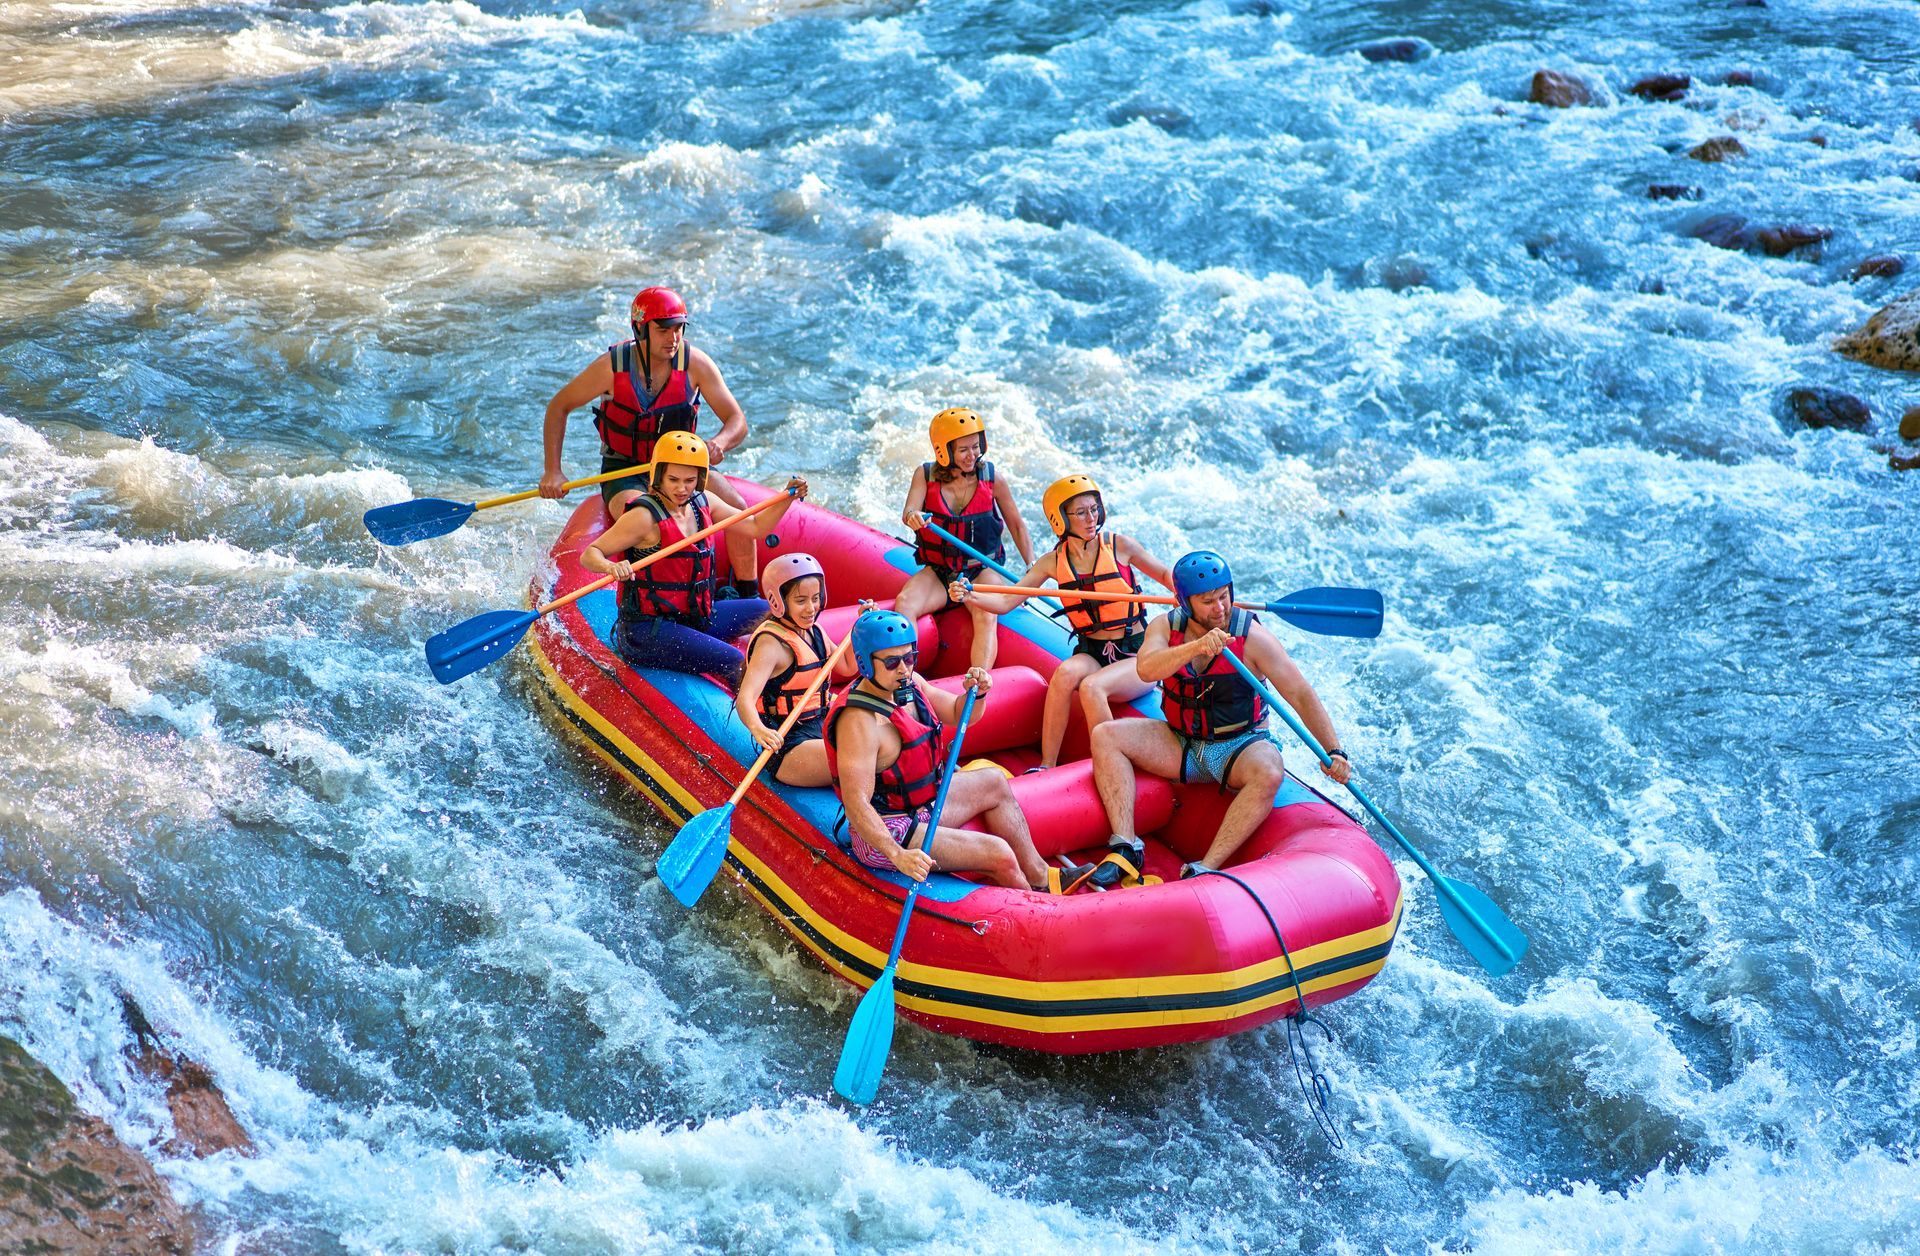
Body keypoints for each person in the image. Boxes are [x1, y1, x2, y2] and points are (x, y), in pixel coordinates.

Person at [1090, 550, 1353, 882]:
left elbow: (1300, 693)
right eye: (1207, 601)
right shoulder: (1165, 627)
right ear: (1184, 603)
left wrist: (1334, 750)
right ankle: (1126, 847)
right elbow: (1146, 668)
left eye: (1224, 596)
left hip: (1238, 746)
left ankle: (1207, 866)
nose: (1220, 608)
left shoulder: (1253, 639)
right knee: (1105, 735)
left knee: (1270, 769)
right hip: (1180, 742)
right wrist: (1196, 648)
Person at [824, 610, 1087, 893]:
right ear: (865, 663)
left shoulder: (912, 684)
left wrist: (977, 694)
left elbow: (959, 714)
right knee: (998, 852)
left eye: (909, 658)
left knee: (994, 781)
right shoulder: (858, 722)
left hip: (920, 806)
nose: (903, 669)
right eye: (891, 662)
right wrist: (898, 855)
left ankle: (1040, 877)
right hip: (889, 831)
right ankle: (1039, 914)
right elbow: (856, 803)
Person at [953, 473, 1173, 774]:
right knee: (1063, 675)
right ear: (1061, 520)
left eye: (1094, 509)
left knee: (1093, 688)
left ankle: (1111, 766)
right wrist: (969, 595)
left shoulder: (1120, 546)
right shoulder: (1053, 562)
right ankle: (1047, 765)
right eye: (1081, 513)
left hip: (1137, 657)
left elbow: (1163, 574)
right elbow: (1005, 602)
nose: (1091, 518)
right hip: (1093, 652)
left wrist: (1191, 595)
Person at [541, 286, 757, 587]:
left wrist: (718, 443)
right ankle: (656, 601)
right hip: (625, 471)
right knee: (649, 516)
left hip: (682, 465)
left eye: (679, 328)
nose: (674, 338)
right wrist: (553, 470)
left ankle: (747, 592)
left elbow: (737, 421)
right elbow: (559, 406)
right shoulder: (611, 369)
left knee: (738, 509)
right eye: (664, 329)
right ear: (641, 329)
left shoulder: (696, 364)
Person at [579, 432, 802, 684]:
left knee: (772, 611)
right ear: (658, 475)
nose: (681, 488)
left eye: (689, 480)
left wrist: (788, 498)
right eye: (673, 479)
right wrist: (611, 566)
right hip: (647, 631)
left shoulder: (704, 502)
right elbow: (590, 554)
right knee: (732, 659)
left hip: (695, 617)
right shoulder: (644, 517)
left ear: (700, 478)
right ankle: (759, 715)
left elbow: (755, 527)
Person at [895, 408, 1034, 673]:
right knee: (905, 603)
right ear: (943, 451)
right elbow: (909, 511)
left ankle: (977, 683)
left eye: (976, 447)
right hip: (939, 572)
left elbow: (1016, 525)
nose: (972, 455)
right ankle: (905, 677)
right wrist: (914, 517)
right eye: (963, 450)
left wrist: (1031, 566)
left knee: (986, 612)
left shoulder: (994, 479)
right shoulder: (924, 475)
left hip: (980, 570)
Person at [733, 553, 861, 787]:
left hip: (821, 723)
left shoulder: (815, 631)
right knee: (863, 758)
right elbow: (745, 699)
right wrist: (759, 730)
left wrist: (861, 628)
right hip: (789, 746)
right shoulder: (772, 644)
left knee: (882, 733)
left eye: (815, 598)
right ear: (778, 601)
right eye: (801, 600)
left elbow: (848, 666)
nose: (811, 608)